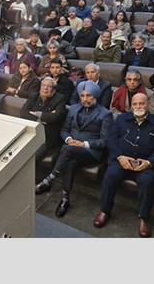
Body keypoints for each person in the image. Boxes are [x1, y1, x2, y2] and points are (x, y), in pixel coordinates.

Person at [93, 93, 154, 237]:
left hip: (145, 165)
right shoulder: (121, 119)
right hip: (122, 161)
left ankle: (144, 218)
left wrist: (149, 162)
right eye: (135, 104)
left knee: (147, 181)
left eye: (141, 103)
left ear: (148, 105)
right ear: (131, 106)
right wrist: (120, 157)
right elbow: (111, 140)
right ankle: (105, 210)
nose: (138, 106)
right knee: (110, 174)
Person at [35, 81, 113, 217]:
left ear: (95, 96)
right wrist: (68, 139)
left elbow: (105, 141)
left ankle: (50, 179)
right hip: (71, 148)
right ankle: (65, 199)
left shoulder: (105, 114)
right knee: (70, 163)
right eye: (82, 96)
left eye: (88, 95)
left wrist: (84, 144)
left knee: (68, 150)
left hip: (91, 151)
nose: (85, 99)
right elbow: (64, 129)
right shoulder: (74, 108)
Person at [21, 77, 67, 159]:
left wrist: (39, 114)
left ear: (54, 90)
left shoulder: (60, 98)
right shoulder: (34, 96)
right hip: (31, 133)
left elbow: (56, 117)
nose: (45, 88)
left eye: (49, 86)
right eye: (43, 85)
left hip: (47, 137)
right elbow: (23, 113)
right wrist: (40, 119)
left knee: (31, 158)